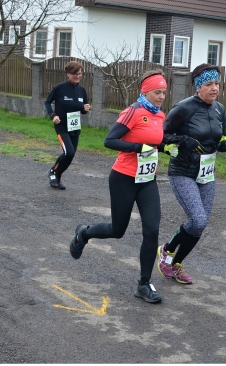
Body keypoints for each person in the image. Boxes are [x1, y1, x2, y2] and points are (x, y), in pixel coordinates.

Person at [69, 71, 169, 303]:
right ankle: (84, 232)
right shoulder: (132, 112)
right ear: (145, 91)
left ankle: (144, 284)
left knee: (152, 230)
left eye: (164, 92)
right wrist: (138, 147)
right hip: (123, 177)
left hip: (147, 179)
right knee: (117, 230)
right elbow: (110, 140)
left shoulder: (160, 115)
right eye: (157, 92)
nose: (161, 96)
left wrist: (166, 148)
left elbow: (155, 142)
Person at [157, 63, 226, 286]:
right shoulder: (183, 109)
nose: (215, 88)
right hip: (182, 171)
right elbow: (160, 136)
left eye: (217, 84)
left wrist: (225, 145)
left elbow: (219, 137)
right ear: (198, 87)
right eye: (209, 84)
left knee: (200, 224)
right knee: (198, 218)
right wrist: (184, 140)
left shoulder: (220, 109)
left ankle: (175, 263)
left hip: (206, 173)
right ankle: (166, 251)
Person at [43, 61, 91, 190]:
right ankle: (53, 172)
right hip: (62, 125)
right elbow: (47, 102)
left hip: (74, 126)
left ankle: (57, 177)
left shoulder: (82, 90)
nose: (78, 76)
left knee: (71, 155)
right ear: (68, 74)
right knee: (68, 151)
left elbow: (83, 109)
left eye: (80, 74)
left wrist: (85, 109)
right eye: (75, 74)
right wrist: (53, 115)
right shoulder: (60, 88)